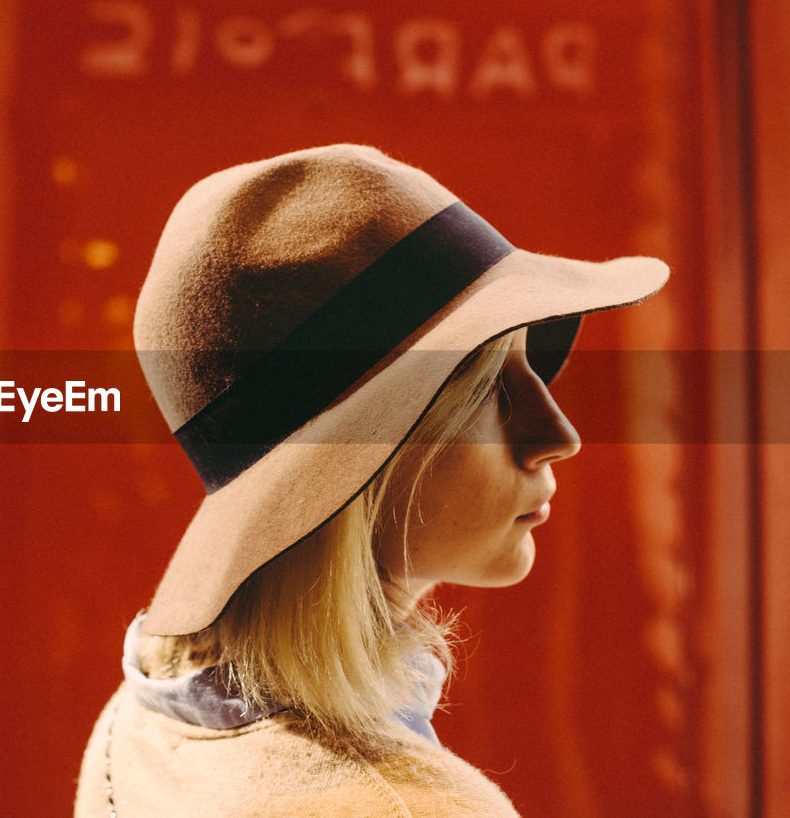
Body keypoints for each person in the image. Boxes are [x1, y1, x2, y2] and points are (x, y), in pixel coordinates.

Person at [74, 144, 668, 816]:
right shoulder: (416, 807)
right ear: (355, 467)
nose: (558, 437)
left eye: (530, 366)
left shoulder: (139, 721)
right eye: (483, 391)